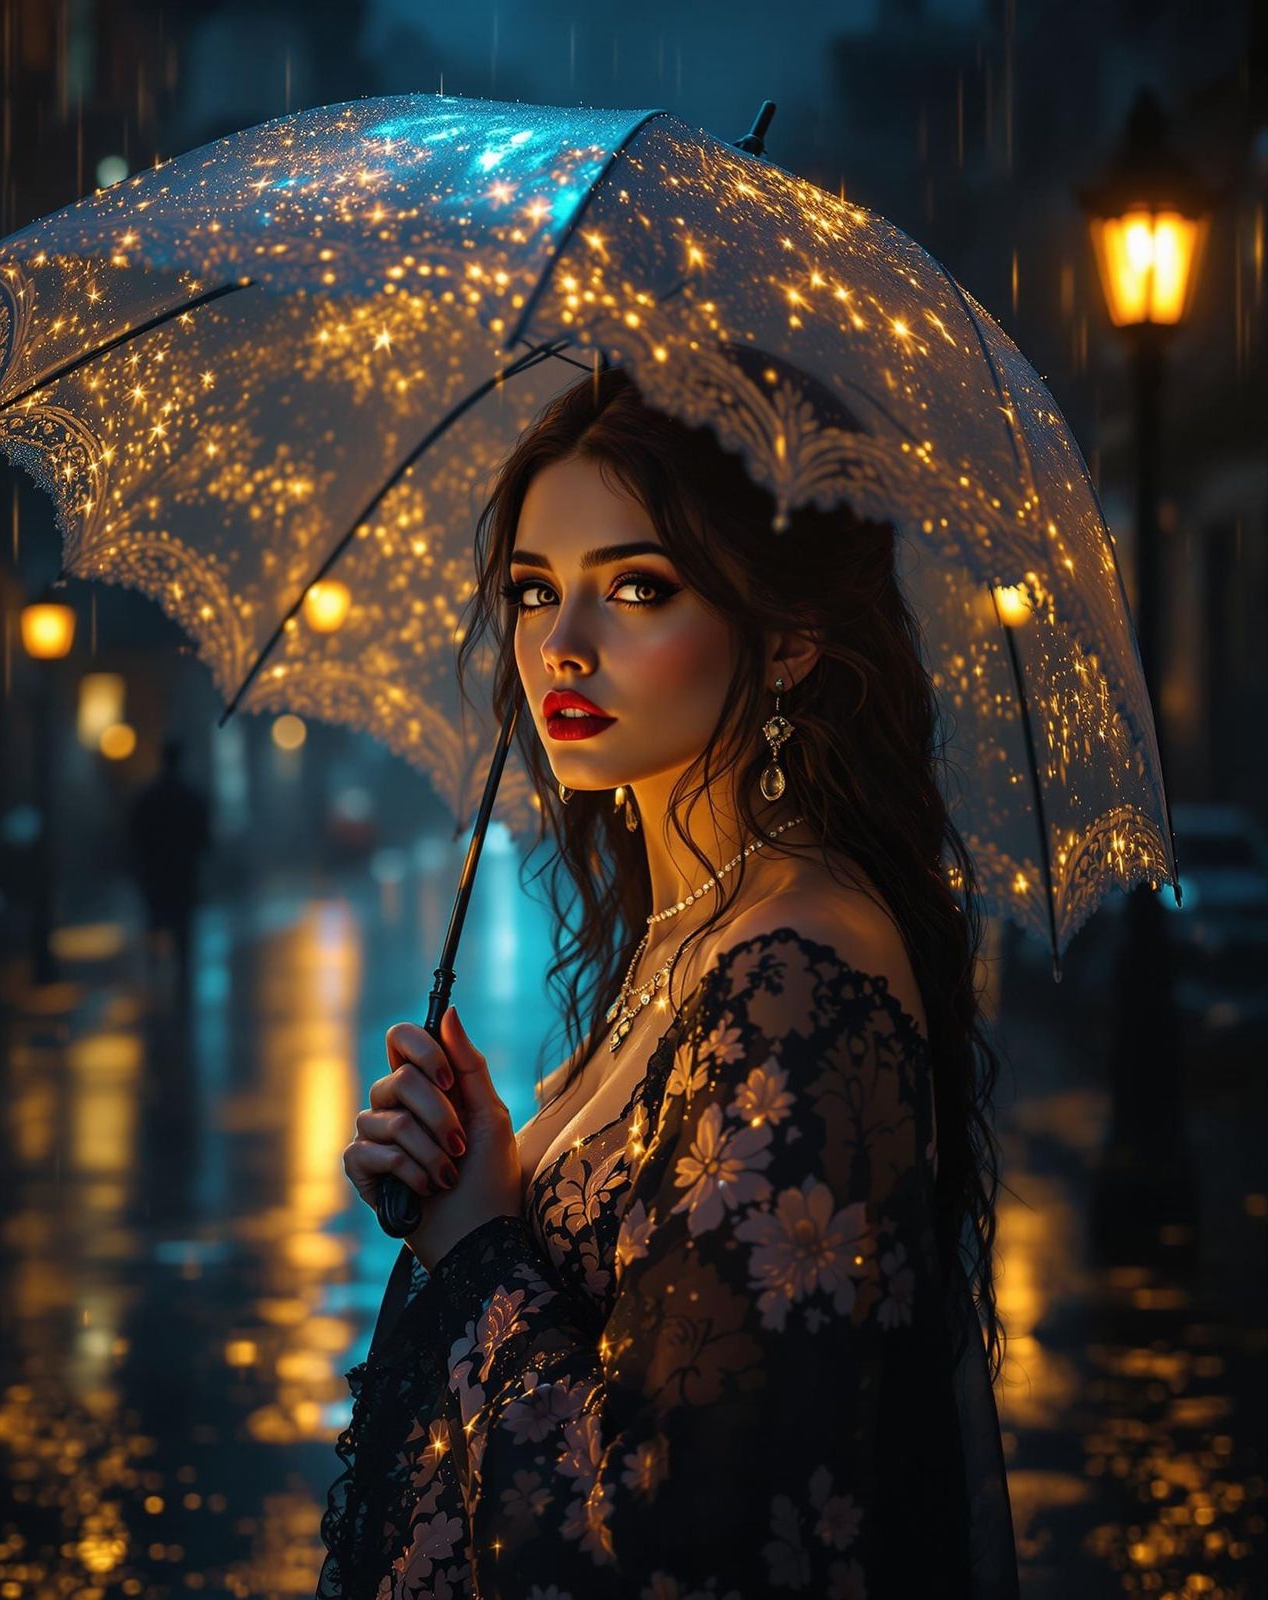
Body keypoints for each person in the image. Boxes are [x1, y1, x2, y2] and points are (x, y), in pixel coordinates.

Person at [319, 364, 1018, 1598]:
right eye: (535, 592)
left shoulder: (796, 972)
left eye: (637, 587)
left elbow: (690, 1537)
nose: (560, 648)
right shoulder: (689, 933)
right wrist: (472, 1166)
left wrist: (479, 1244)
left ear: (791, 634)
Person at [128, 737, 212, 1009]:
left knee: (155, 923)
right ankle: (181, 983)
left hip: (156, 874)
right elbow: (204, 838)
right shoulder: (190, 798)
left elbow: (134, 837)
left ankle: (155, 978)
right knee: (182, 930)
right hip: (182, 874)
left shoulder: (149, 797)